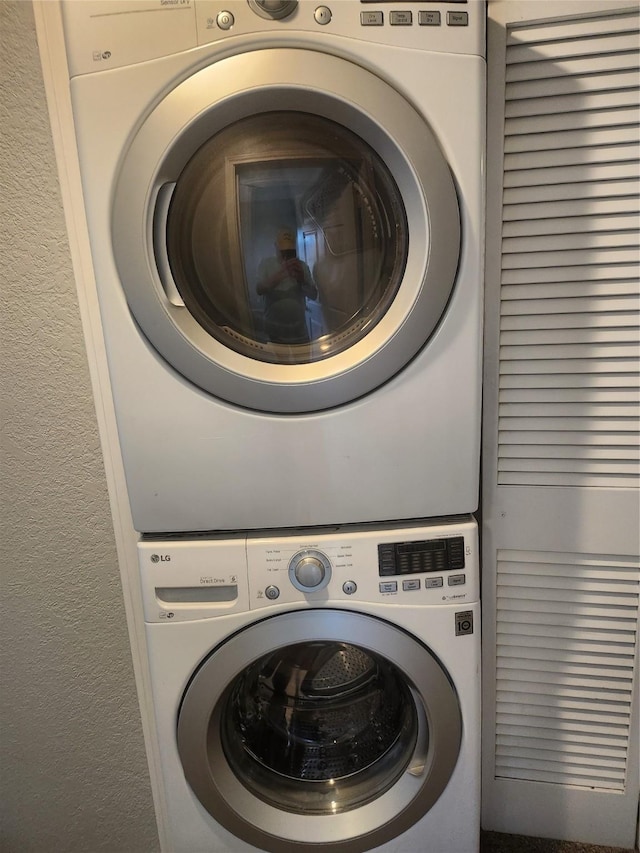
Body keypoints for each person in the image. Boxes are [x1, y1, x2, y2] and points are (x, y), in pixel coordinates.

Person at [257, 228, 317, 344]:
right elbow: (259, 290)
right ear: (275, 246)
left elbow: (314, 296)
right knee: (276, 362)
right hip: (274, 330)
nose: (286, 255)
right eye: (283, 251)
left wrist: (301, 280)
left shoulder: (302, 266)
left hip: (299, 330)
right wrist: (280, 275)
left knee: (304, 362)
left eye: (290, 251)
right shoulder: (266, 264)